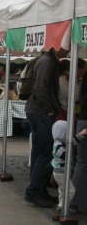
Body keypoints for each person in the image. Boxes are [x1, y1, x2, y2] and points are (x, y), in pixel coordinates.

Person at [24, 48, 68, 208]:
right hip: (41, 112)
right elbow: (41, 88)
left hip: (37, 111)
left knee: (39, 151)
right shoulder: (48, 61)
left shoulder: (46, 60)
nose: (69, 49)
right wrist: (49, 109)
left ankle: (38, 190)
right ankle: (34, 191)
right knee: (47, 152)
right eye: (67, 46)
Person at [51, 120, 87, 214]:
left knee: (62, 191)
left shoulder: (61, 143)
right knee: (70, 191)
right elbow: (66, 153)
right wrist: (72, 144)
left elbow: (72, 143)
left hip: (62, 172)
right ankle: (65, 207)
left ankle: (61, 206)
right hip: (60, 173)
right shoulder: (58, 146)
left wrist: (81, 135)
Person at [70, 70, 87, 213]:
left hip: (83, 118)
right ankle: (73, 201)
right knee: (82, 162)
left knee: (81, 161)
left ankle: (73, 201)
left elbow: (80, 97)